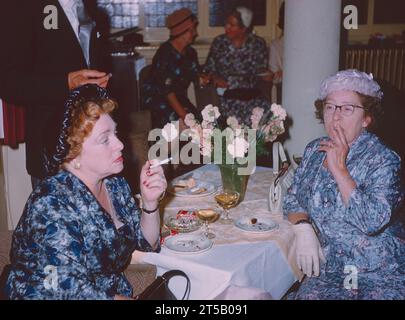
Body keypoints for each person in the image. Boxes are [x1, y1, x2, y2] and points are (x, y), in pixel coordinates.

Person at [5, 85, 166, 300]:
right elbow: (67, 289)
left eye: (115, 133)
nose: (119, 144)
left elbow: (146, 243)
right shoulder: (51, 203)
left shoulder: (114, 184)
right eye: (104, 139)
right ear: (74, 154)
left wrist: (150, 202)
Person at [284, 69, 405, 300]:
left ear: (367, 119)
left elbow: (371, 221)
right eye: (330, 107)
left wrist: (341, 172)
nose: (335, 117)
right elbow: (293, 196)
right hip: (331, 268)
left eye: (347, 108)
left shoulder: (384, 159)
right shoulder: (314, 149)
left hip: (379, 272)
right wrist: (302, 227)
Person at [0, 0, 111, 187]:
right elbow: (9, 84)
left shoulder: (91, 10)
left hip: (94, 142)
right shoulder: (21, 7)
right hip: (51, 147)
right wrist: (65, 83)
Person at [203, 7, 271, 125]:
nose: (226, 27)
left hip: (252, 97)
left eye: (232, 25)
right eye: (226, 23)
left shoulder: (257, 44)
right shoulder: (219, 43)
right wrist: (215, 77)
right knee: (232, 127)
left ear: (244, 28)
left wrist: (266, 74)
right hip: (227, 98)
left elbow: (261, 70)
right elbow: (208, 69)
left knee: (268, 120)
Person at [142, 8, 201, 130]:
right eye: (192, 30)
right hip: (159, 100)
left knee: (200, 123)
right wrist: (184, 116)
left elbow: (197, 76)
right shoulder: (165, 54)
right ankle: (164, 149)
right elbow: (166, 91)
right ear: (181, 32)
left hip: (179, 99)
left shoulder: (190, 53)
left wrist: (208, 78)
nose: (195, 33)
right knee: (181, 123)